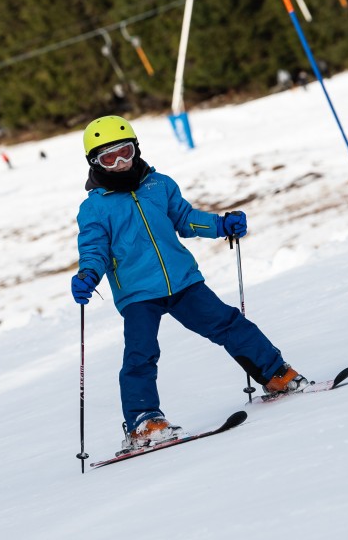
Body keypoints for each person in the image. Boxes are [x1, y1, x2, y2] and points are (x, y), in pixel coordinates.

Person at [70, 116, 308, 454]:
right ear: (95, 164)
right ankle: (143, 421)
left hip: (183, 281)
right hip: (138, 294)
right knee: (141, 354)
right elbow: (94, 249)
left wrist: (221, 224)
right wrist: (87, 276)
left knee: (228, 323)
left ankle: (275, 374)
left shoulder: (159, 185)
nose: (121, 164)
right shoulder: (94, 207)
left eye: (125, 152)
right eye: (110, 158)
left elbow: (185, 219)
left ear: (136, 149)